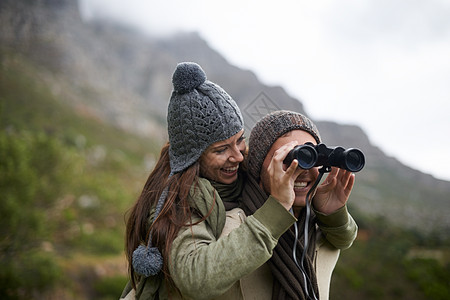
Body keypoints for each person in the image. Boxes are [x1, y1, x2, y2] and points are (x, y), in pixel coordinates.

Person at [239, 110, 358, 300]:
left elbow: (344, 237)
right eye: (289, 158)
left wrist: (333, 214)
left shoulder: (320, 228)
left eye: (312, 156)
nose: (302, 169)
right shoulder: (233, 226)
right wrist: (278, 206)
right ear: (258, 166)